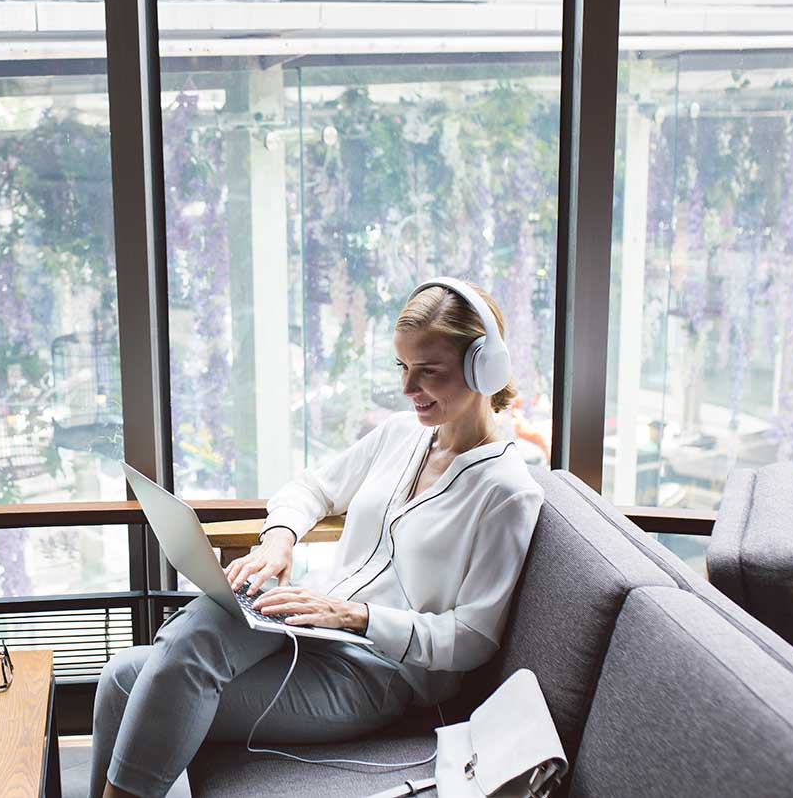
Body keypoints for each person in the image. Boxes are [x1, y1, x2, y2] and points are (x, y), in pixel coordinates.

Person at [89, 279, 545, 798]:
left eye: (428, 372)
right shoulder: (401, 436)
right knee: (140, 664)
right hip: (312, 630)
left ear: (485, 368)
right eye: (403, 367)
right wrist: (279, 539)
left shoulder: (506, 493)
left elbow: (475, 638)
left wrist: (355, 616)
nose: (407, 388)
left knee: (152, 667)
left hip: (378, 674)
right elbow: (313, 488)